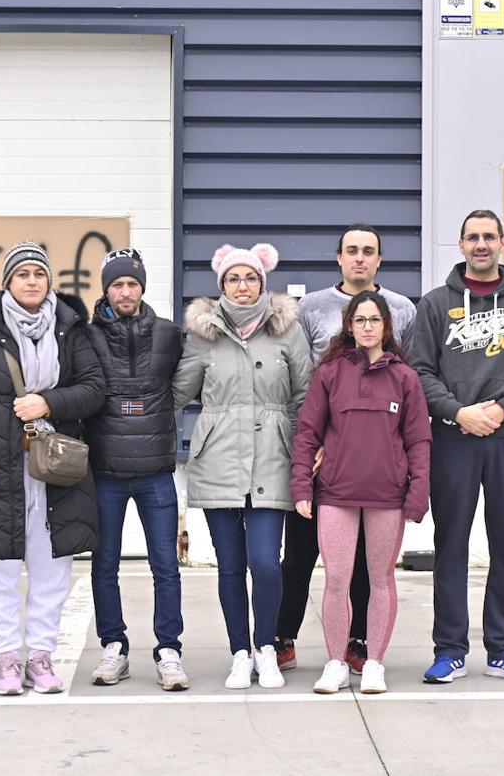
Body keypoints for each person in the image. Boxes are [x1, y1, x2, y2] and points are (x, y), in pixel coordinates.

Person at [0, 240, 105, 696]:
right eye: (22, 274)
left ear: (50, 281)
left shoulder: (71, 330)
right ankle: (7, 659)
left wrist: (46, 402)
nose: (31, 281)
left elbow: (94, 389)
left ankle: (41, 657)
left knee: (52, 568)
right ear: (8, 283)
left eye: (39, 274)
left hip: (55, 471)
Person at [407, 209, 504, 684]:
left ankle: (503, 649)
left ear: (503, 244)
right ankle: (449, 649)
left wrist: (503, 409)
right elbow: (419, 372)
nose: (482, 244)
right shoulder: (434, 305)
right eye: (473, 237)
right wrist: (458, 411)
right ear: (461, 245)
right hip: (453, 440)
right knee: (450, 546)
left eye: (490, 236)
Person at [277, 223, 418, 674]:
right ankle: (285, 636)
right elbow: (300, 376)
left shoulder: (402, 308)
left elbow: (401, 376)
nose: (359, 258)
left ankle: (358, 642)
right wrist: (315, 443)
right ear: (338, 257)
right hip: (323, 451)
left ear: (379, 259)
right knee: (300, 554)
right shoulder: (311, 308)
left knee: (365, 564)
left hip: (375, 463)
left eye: (368, 251)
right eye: (351, 250)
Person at [173, 243, 312, 689]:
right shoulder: (203, 334)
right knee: (230, 566)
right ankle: (239, 652)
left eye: (250, 278)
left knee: (267, 563)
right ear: (221, 286)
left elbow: (304, 396)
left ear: (263, 282)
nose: (243, 285)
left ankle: (266, 648)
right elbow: (177, 394)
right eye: (233, 278)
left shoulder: (287, 331)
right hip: (218, 459)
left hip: (273, 457)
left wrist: (306, 452)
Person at [290, 291, 430, 695]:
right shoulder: (330, 374)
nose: (367, 327)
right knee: (336, 579)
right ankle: (335, 662)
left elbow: (419, 440)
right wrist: (303, 484)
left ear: (387, 326)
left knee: (381, 579)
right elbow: (307, 435)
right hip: (335, 494)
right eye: (360, 320)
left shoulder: (405, 378)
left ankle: (374, 664)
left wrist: (417, 494)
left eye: (375, 320)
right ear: (349, 327)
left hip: (387, 496)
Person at [84, 248, 188, 691]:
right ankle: (114, 647)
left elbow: (189, 381)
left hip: (156, 471)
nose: (125, 291)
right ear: (106, 289)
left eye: (132, 283)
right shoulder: (85, 336)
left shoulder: (169, 334)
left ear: (142, 287)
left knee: (165, 564)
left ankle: (169, 650)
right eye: (117, 284)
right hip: (103, 470)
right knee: (104, 564)